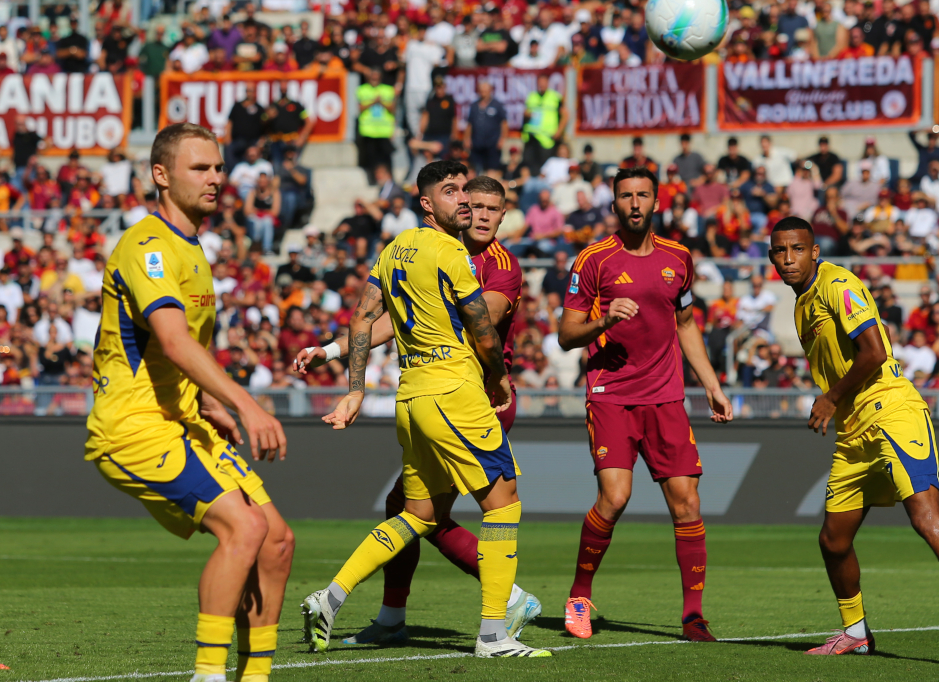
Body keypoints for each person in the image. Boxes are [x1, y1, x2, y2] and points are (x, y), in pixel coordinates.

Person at [301, 161, 551, 659]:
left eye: (479, 201)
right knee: (502, 504)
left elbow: (368, 316)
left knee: (415, 512)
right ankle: (496, 630)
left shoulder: (400, 250)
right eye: (458, 195)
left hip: (411, 394)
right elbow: (481, 327)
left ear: (501, 215)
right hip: (461, 394)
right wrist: (499, 375)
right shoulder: (452, 253)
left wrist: (352, 387)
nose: (468, 206)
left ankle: (331, 599)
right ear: (429, 203)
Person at [85, 124, 292, 682]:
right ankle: (207, 675)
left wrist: (208, 401)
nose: (215, 179)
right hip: (131, 427)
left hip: (180, 419)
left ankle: (256, 677)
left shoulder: (192, 248)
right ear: (161, 175)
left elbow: (172, 352)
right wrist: (248, 405)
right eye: (200, 168)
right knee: (243, 530)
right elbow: (173, 341)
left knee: (276, 541)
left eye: (218, 168)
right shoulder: (147, 246)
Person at [767, 216, 939, 669]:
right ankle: (856, 633)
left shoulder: (838, 284)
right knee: (833, 539)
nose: (788, 258)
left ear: (815, 251)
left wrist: (830, 396)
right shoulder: (802, 306)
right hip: (853, 431)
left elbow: (875, 351)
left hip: (892, 413)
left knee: (925, 515)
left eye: (797, 249)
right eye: (780, 251)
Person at [558, 166, 733, 643]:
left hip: (666, 397)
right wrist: (604, 320)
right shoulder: (593, 260)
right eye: (625, 196)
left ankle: (694, 616)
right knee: (615, 498)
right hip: (611, 396)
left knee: (688, 504)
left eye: (642, 195)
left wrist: (712, 384)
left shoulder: (679, 257)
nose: (634, 203)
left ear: (656, 202)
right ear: (613, 204)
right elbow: (565, 335)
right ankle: (578, 595)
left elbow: (687, 324)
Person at [522, 73, 566, 174]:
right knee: (529, 166)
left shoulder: (555, 97)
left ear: (548, 84)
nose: (541, 85)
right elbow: (526, 112)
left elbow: (565, 115)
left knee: (544, 169)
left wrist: (559, 131)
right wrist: (527, 114)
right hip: (531, 138)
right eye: (539, 83)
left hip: (547, 139)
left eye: (543, 83)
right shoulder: (531, 96)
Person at [356, 67, 397, 174]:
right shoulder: (362, 89)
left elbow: (393, 109)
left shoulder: (388, 90)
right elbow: (359, 108)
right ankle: (374, 178)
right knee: (371, 158)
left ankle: (388, 178)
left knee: (386, 158)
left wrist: (381, 102)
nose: (374, 80)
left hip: (384, 131)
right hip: (369, 131)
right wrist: (373, 101)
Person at [465, 81, 507, 173]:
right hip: (477, 143)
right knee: (475, 169)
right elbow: (470, 124)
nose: (483, 93)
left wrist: (502, 139)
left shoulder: (497, 105)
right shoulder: (474, 105)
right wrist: (467, 138)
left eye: (485, 90)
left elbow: (504, 123)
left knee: (492, 170)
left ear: (490, 91)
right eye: (481, 90)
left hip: (492, 143)